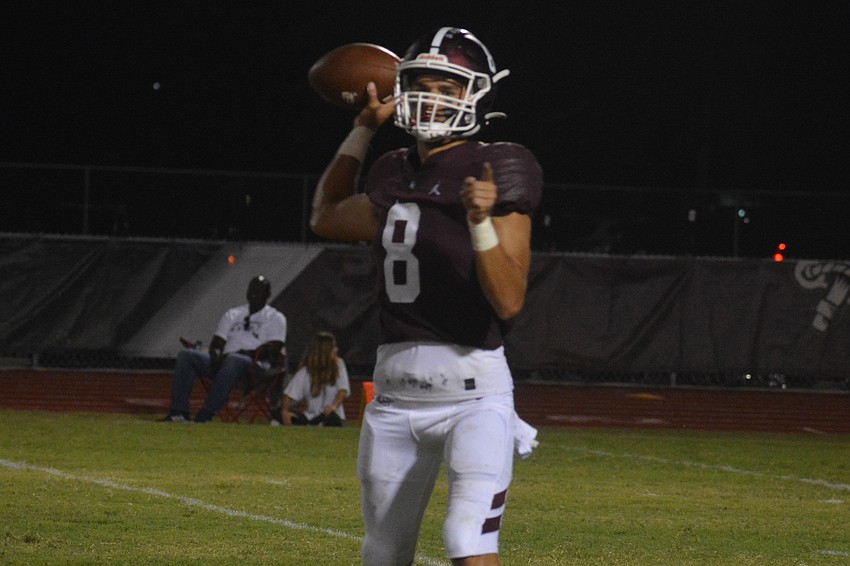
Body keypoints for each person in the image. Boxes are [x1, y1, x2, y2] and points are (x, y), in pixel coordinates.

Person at [310, 27, 542, 566]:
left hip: (474, 397)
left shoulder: (499, 165)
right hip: (392, 398)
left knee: (466, 540)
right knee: (383, 552)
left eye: (448, 86)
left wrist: (481, 222)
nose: (432, 97)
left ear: (476, 94)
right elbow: (326, 216)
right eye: (422, 84)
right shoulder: (393, 170)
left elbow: (508, 301)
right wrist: (362, 132)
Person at [160, 275, 287, 423]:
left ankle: (206, 414)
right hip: (225, 362)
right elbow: (217, 342)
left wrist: (244, 353)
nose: (254, 293)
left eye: (259, 291)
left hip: (254, 367)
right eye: (251, 289)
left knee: (235, 359)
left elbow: (273, 349)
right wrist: (216, 356)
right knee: (187, 355)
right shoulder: (233, 314)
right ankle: (179, 413)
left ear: (268, 295)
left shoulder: (276, 318)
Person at [278, 331, 350, 426]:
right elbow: (289, 395)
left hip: (332, 416)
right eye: (333, 347)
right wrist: (284, 412)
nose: (336, 349)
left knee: (331, 419)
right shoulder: (306, 370)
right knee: (280, 414)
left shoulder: (339, 364)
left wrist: (333, 407)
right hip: (311, 417)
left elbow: (343, 391)